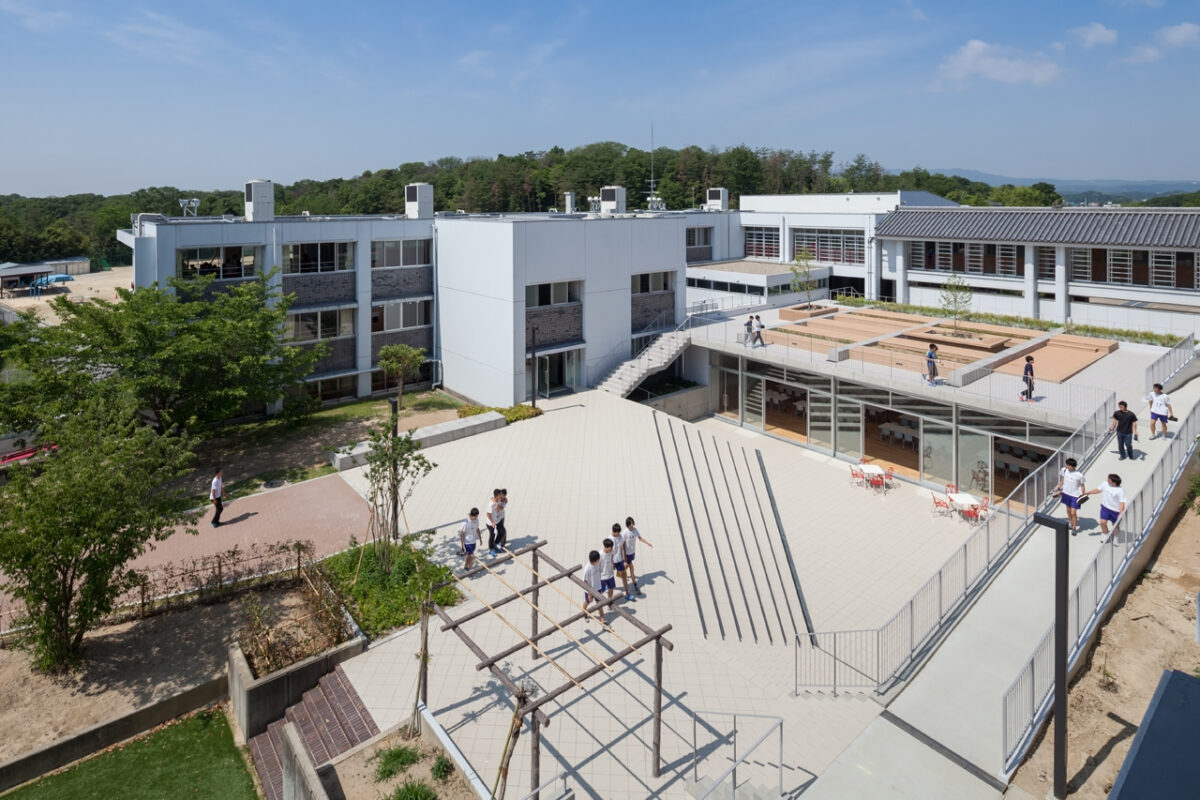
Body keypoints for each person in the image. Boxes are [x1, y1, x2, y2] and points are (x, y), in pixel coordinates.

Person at [1085, 474, 1126, 540]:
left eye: (1108, 479)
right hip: (1105, 508)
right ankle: (1106, 535)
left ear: (1113, 482)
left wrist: (1120, 514)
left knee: (1115, 525)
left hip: (1115, 511)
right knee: (1102, 522)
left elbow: (1122, 503)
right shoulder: (1105, 484)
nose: (1107, 480)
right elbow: (1098, 490)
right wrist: (1089, 492)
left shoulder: (1121, 491)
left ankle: (1116, 537)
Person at [622, 516, 654, 596]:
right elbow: (622, 544)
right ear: (628, 525)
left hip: (632, 552)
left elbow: (639, 538)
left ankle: (620, 572)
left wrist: (647, 543)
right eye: (631, 525)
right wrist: (624, 555)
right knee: (632, 569)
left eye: (633, 524)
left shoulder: (634, 530)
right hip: (627, 554)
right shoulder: (625, 533)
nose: (632, 526)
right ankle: (635, 584)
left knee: (627, 566)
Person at [1054, 457, 1086, 535]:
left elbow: (1082, 486)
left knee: (1073, 512)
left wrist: (1083, 495)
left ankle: (1074, 528)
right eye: (1067, 465)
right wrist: (1058, 487)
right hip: (1066, 493)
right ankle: (1071, 523)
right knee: (1068, 510)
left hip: (1075, 496)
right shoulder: (1064, 470)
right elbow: (1063, 480)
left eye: (1069, 465)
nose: (1067, 466)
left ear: (1073, 466)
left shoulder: (1079, 475)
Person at [582, 550, 604, 622]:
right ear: (596, 560)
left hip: (598, 587)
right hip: (589, 589)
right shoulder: (587, 569)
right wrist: (589, 594)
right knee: (588, 602)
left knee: (599, 604)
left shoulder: (598, 564)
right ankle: (584, 613)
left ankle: (602, 619)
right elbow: (585, 581)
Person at [611, 523, 631, 598]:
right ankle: (606, 586)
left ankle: (627, 592)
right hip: (611, 561)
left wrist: (624, 557)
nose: (619, 534)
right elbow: (609, 553)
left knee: (624, 576)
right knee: (608, 577)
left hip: (619, 560)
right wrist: (612, 562)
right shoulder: (610, 539)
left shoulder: (620, 537)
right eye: (618, 532)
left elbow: (622, 547)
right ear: (615, 532)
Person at [485, 488, 506, 557]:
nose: (501, 496)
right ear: (496, 496)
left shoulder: (499, 500)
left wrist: (496, 502)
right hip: (491, 523)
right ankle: (491, 549)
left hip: (498, 520)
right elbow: (488, 514)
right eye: (500, 495)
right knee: (492, 535)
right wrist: (492, 522)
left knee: (502, 532)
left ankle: (496, 544)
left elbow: (500, 507)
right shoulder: (491, 505)